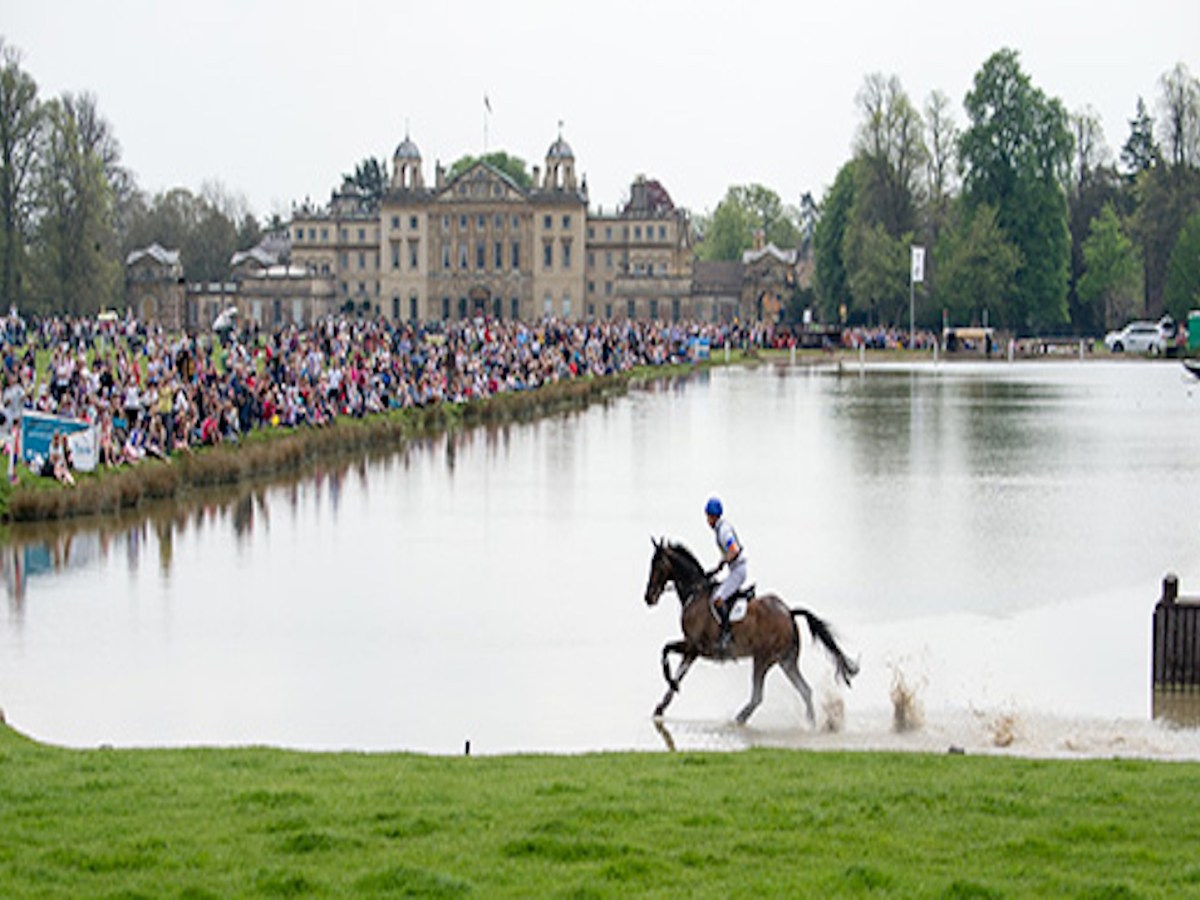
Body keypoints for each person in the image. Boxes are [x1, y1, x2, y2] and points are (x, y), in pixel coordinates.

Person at [705, 496, 747, 652]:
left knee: (717, 599)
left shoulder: (723, 531)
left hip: (738, 570)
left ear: (712, 516)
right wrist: (718, 566)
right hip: (735, 569)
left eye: (708, 516)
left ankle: (726, 635)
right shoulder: (721, 528)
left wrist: (724, 562)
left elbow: (734, 550)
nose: (707, 520)